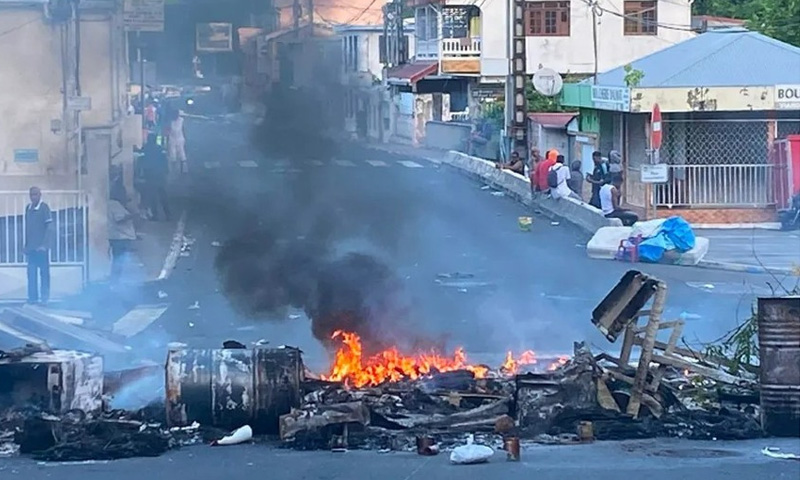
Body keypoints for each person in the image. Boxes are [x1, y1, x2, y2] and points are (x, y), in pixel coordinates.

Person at [24, 187, 53, 304]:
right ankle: (33, 298)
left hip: (41, 248)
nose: (33, 197)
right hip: (31, 248)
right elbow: (28, 229)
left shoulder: (44, 208)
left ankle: (45, 298)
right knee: (31, 274)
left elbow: (50, 228)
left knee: (44, 273)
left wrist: (45, 245)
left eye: (35, 194)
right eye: (31, 195)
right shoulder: (28, 208)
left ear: (40, 195)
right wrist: (26, 245)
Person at [108, 190, 136, 284]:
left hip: (119, 236)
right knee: (119, 261)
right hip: (120, 237)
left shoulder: (114, 204)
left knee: (119, 260)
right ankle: (115, 281)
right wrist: (133, 215)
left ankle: (116, 281)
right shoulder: (114, 204)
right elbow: (119, 219)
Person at [141, 134, 171, 221]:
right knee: (163, 195)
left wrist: (142, 173)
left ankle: (155, 215)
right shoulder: (160, 149)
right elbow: (164, 161)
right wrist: (166, 171)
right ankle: (168, 215)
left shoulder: (146, 148)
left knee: (153, 197)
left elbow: (142, 160)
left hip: (150, 175)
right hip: (160, 175)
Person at [168, 109, 187, 174]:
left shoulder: (182, 120)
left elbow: (184, 129)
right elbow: (168, 130)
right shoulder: (170, 121)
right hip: (172, 139)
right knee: (173, 154)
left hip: (180, 138)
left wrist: (185, 138)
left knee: (181, 153)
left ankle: (183, 170)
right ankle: (173, 170)